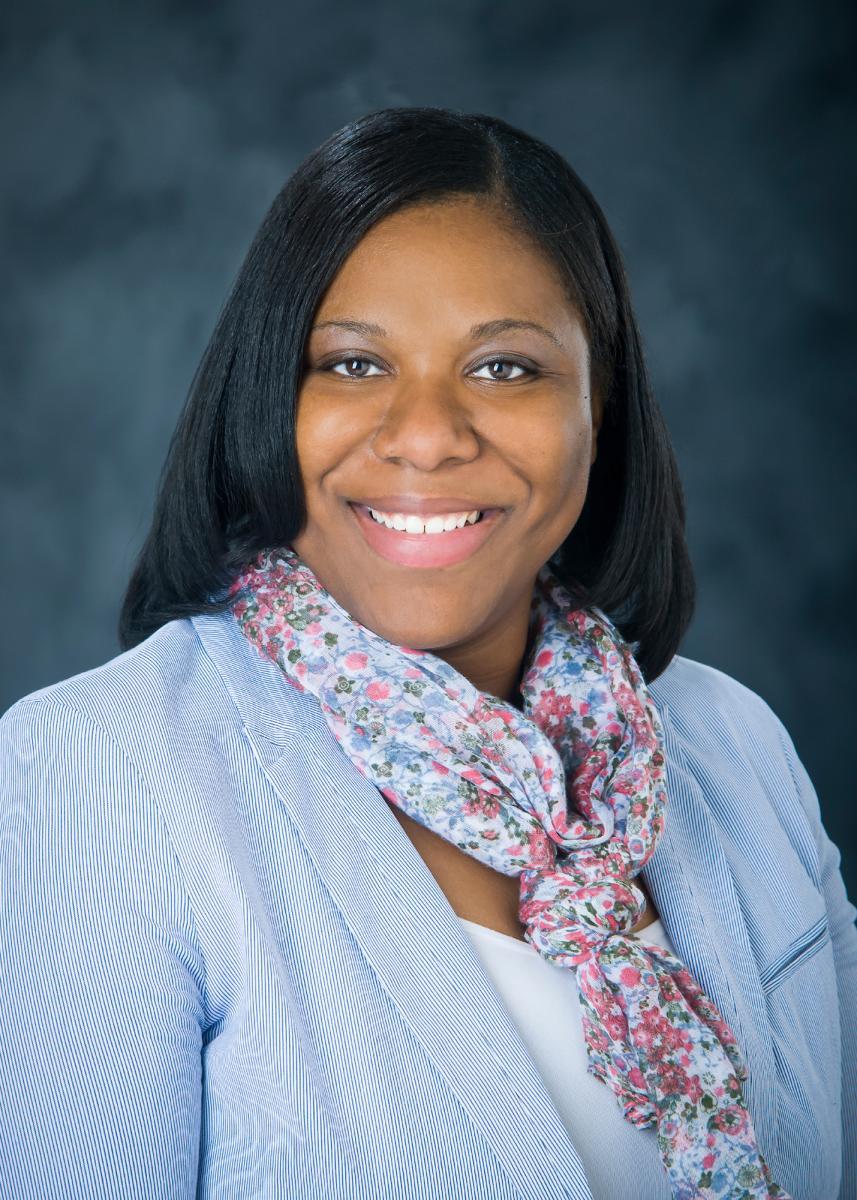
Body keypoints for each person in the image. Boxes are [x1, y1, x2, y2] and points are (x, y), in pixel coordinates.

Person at [0, 106, 853, 1200]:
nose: (427, 434)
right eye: (353, 363)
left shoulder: (733, 742)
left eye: (504, 368)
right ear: (267, 395)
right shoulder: (92, 771)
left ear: (599, 405)